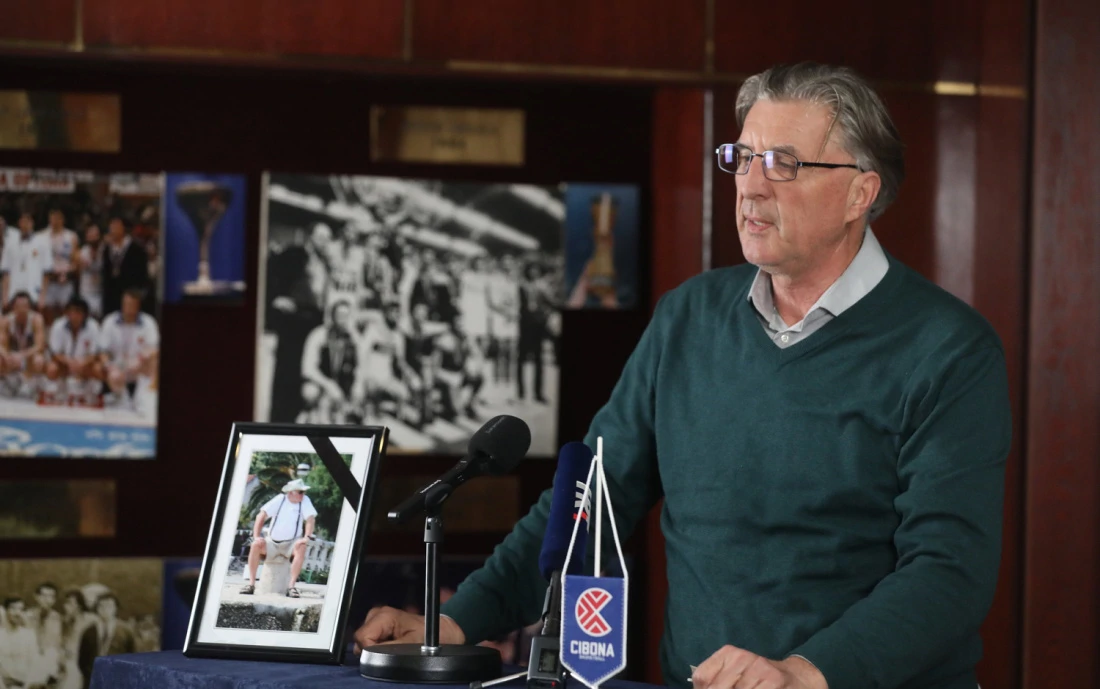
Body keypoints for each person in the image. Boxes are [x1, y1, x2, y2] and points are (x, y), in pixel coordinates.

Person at [354, 62, 1012, 689]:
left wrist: (808, 671)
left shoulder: (948, 349)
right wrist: (457, 619)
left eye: (783, 163)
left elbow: (948, 572)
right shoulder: (689, 318)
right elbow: (590, 501)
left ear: (859, 192)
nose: (751, 185)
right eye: (743, 157)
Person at [240, 478, 318, 599]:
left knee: (301, 546)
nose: (303, 494)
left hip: (291, 543)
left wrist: (306, 537)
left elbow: (310, 519)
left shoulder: (305, 501)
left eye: (304, 492)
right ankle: (251, 584)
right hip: (272, 542)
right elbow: (261, 515)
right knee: (255, 545)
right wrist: (256, 536)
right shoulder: (280, 499)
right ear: (291, 492)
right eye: (301, 492)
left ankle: (291, 586)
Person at [299, 299, 359, 424]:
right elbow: (307, 369)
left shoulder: (353, 338)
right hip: (322, 384)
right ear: (332, 317)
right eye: (340, 316)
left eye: (347, 316)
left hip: (342, 387)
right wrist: (329, 385)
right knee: (310, 392)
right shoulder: (318, 335)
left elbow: (361, 366)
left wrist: (357, 386)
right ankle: (310, 414)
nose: (344, 320)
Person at [98, 288, 159, 409]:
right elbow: (102, 351)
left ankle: (145, 397)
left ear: (138, 306)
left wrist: (141, 360)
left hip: (139, 366)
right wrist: (109, 366)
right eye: (126, 304)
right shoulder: (110, 321)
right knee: (111, 373)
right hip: (118, 367)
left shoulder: (148, 322)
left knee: (155, 362)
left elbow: (154, 349)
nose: (128, 307)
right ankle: (121, 399)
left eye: (132, 304)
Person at [45, 297, 103, 406]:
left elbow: (95, 353)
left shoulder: (93, 326)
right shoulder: (58, 325)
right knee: (52, 368)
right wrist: (69, 362)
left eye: (78, 312)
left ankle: (90, 393)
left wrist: (82, 362)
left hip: (84, 364)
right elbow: (54, 352)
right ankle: (59, 391)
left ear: (85, 314)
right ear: (67, 313)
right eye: (72, 312)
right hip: (65, 363)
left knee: (98, 369)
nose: (74, 315)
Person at [100, 216, 150, 317]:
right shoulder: (107, 249)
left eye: (116, 225)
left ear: (124, 228)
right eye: (111, 225)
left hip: (130, 296)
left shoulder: (137, 249)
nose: (113, 229)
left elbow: (142, 276)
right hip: (111, 297)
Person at [0, 291, 47, 396]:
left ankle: (33, 384)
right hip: (13, 356)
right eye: (18, 306)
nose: (21, 309)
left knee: (38, 359)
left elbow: (40, 346)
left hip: (29, 355)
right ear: (13, 307)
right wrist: (7, 356)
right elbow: (1, 345)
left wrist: (21, 355)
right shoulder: (6, 320)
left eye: (24, 306)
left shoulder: (37, 319)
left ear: (30, 307)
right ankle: (8, 382)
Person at [0, 212, 50, 311]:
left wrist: (43, 296)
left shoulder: (42, 242)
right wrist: (4, 297)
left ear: (32, 223)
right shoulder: (10, 243)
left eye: (28, 221)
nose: (25, 224)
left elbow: (46, 273)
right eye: (23, 221)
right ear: (19, 223)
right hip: (13, 291)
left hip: (34, 290)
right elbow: (6, 272)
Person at [40, 207, 81, 324]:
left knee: (65, 309)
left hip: (65, 279)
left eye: (58, 218)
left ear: (63, 219)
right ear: (49, 218)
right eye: (53, 217)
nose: (55, 220)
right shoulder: (42, 236)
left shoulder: (71, 236)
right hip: (48, 279)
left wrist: (67, 273)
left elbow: (75, 261)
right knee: (47, 308)